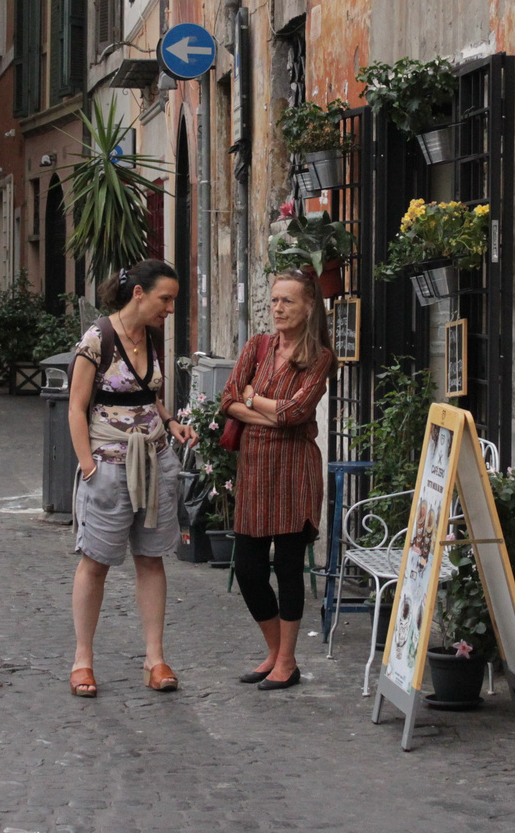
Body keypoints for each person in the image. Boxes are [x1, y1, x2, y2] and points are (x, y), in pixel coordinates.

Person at [67, 259, 198, 698]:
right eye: (165, 299)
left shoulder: (152, 336)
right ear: (138, 294)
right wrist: (88, 466)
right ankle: (83, 660)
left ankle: (155, 659)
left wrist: (170, 421)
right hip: (107, 465)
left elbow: (149, 391)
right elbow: (76, 407)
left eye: (173, 301)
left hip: (155, 460)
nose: (169, 308)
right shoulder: (97, 340)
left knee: (152, 558)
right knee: (96, 562)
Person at [217, 269, 336, 691]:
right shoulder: (258, 346)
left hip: (293, 471)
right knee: (248, 568)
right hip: (255, 470)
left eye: (288, 301)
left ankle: (287, 661)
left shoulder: (320, 356)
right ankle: (273, 650)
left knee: (287, 566)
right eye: (274, 301)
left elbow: (295, 414)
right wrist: (258, 405)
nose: (278, 309)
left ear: (308, 308)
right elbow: (228, 400)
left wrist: (254, 399)